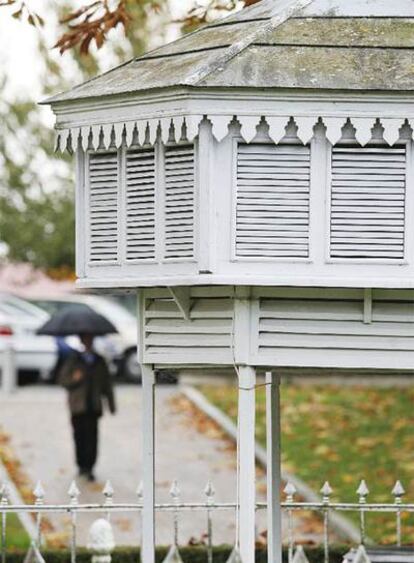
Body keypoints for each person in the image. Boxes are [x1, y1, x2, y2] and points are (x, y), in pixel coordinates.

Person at [59, 334, 116, 481]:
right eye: (85, 339)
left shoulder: (99, 360)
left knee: (92, 438)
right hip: (78, 407)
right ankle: (81, 465)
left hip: (93, 406)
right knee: (79, 436)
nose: (88, 342)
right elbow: (63, 380)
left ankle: (90, 467)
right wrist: (74, 379)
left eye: (90, 339)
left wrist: (111, 404)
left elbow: (107, 384)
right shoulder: (74, 359)